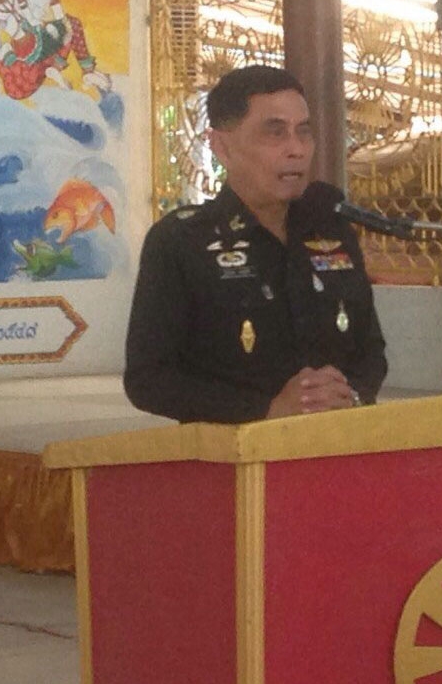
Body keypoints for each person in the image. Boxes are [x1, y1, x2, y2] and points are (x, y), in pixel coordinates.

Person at [124, 65, 387, 423]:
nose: (296, 149)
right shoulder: (181, 241)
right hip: (233, 449)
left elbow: (371, 351)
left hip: (335, 441)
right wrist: (266, 411)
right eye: (275, 133)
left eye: (303, 132)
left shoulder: (330, 231)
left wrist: (350, 396)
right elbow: (148, 380)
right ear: (222, 147)